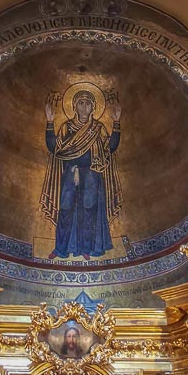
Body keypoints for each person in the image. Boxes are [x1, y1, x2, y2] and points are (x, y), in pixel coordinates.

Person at [40, 90, 122, 259]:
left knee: (88, 210)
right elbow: (55, 148)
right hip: (70, 174)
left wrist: (116, 124)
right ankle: (61, 248)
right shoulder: (67, 127)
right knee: (65, 209)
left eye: (88, 104)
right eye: (81, 103)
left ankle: (86, 248)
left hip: (92, 174)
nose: (84, 107)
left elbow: (109, 148)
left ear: (93, 107)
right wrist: (50, 122)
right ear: (74, 107)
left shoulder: (98, 129)